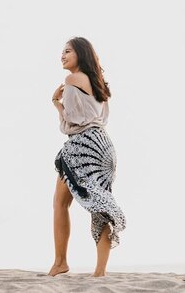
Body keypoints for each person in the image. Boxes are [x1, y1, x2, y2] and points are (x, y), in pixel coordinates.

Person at [48, 36, 126, 278]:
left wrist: (55, 103)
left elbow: (71, 121)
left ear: (81, 54)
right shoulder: (99, 83)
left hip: (83, 146)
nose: (62, 55)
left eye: (67, 51)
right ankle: (100, 273)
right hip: (104, 147)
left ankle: (60, 262)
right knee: (100, 206)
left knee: (60, 203)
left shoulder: (72, 80)